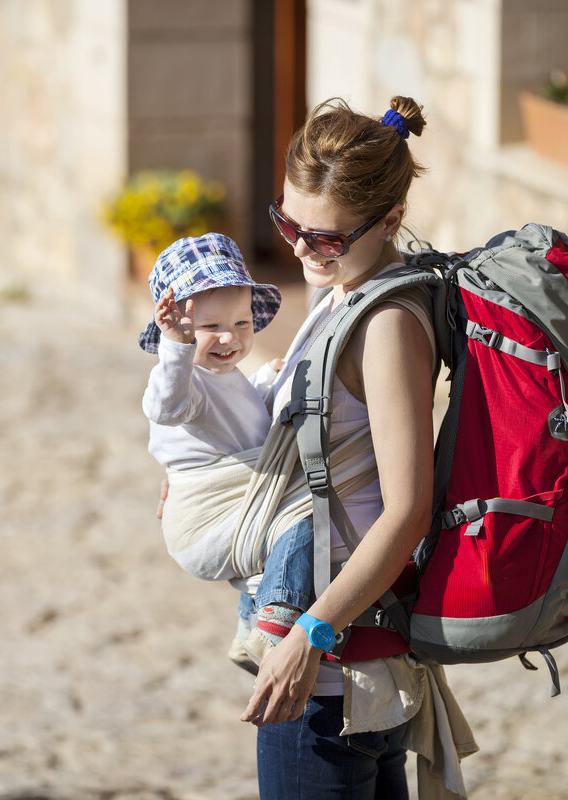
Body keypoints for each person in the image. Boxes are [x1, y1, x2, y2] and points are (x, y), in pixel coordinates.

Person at [233, 96, 476, 798]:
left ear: (391, 219)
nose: (302, 249)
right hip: (337, 669)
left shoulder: (388, 323)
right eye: (289, 223)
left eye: (326, 238)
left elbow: (407, 511)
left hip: (331, 678)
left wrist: (308, 637)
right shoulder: (340, 290)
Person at [139, 233, 324, 661]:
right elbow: (167, 408)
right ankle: (274, 617)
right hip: (207, 514)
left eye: (242, 324)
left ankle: (246, 624)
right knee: (302, 516)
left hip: (234, 508)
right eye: (208, 328)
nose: (230, 338)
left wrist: (267, 383)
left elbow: (247, 426)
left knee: (275, 525)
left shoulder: (227, 376)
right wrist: (176, 347)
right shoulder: (185, 382)